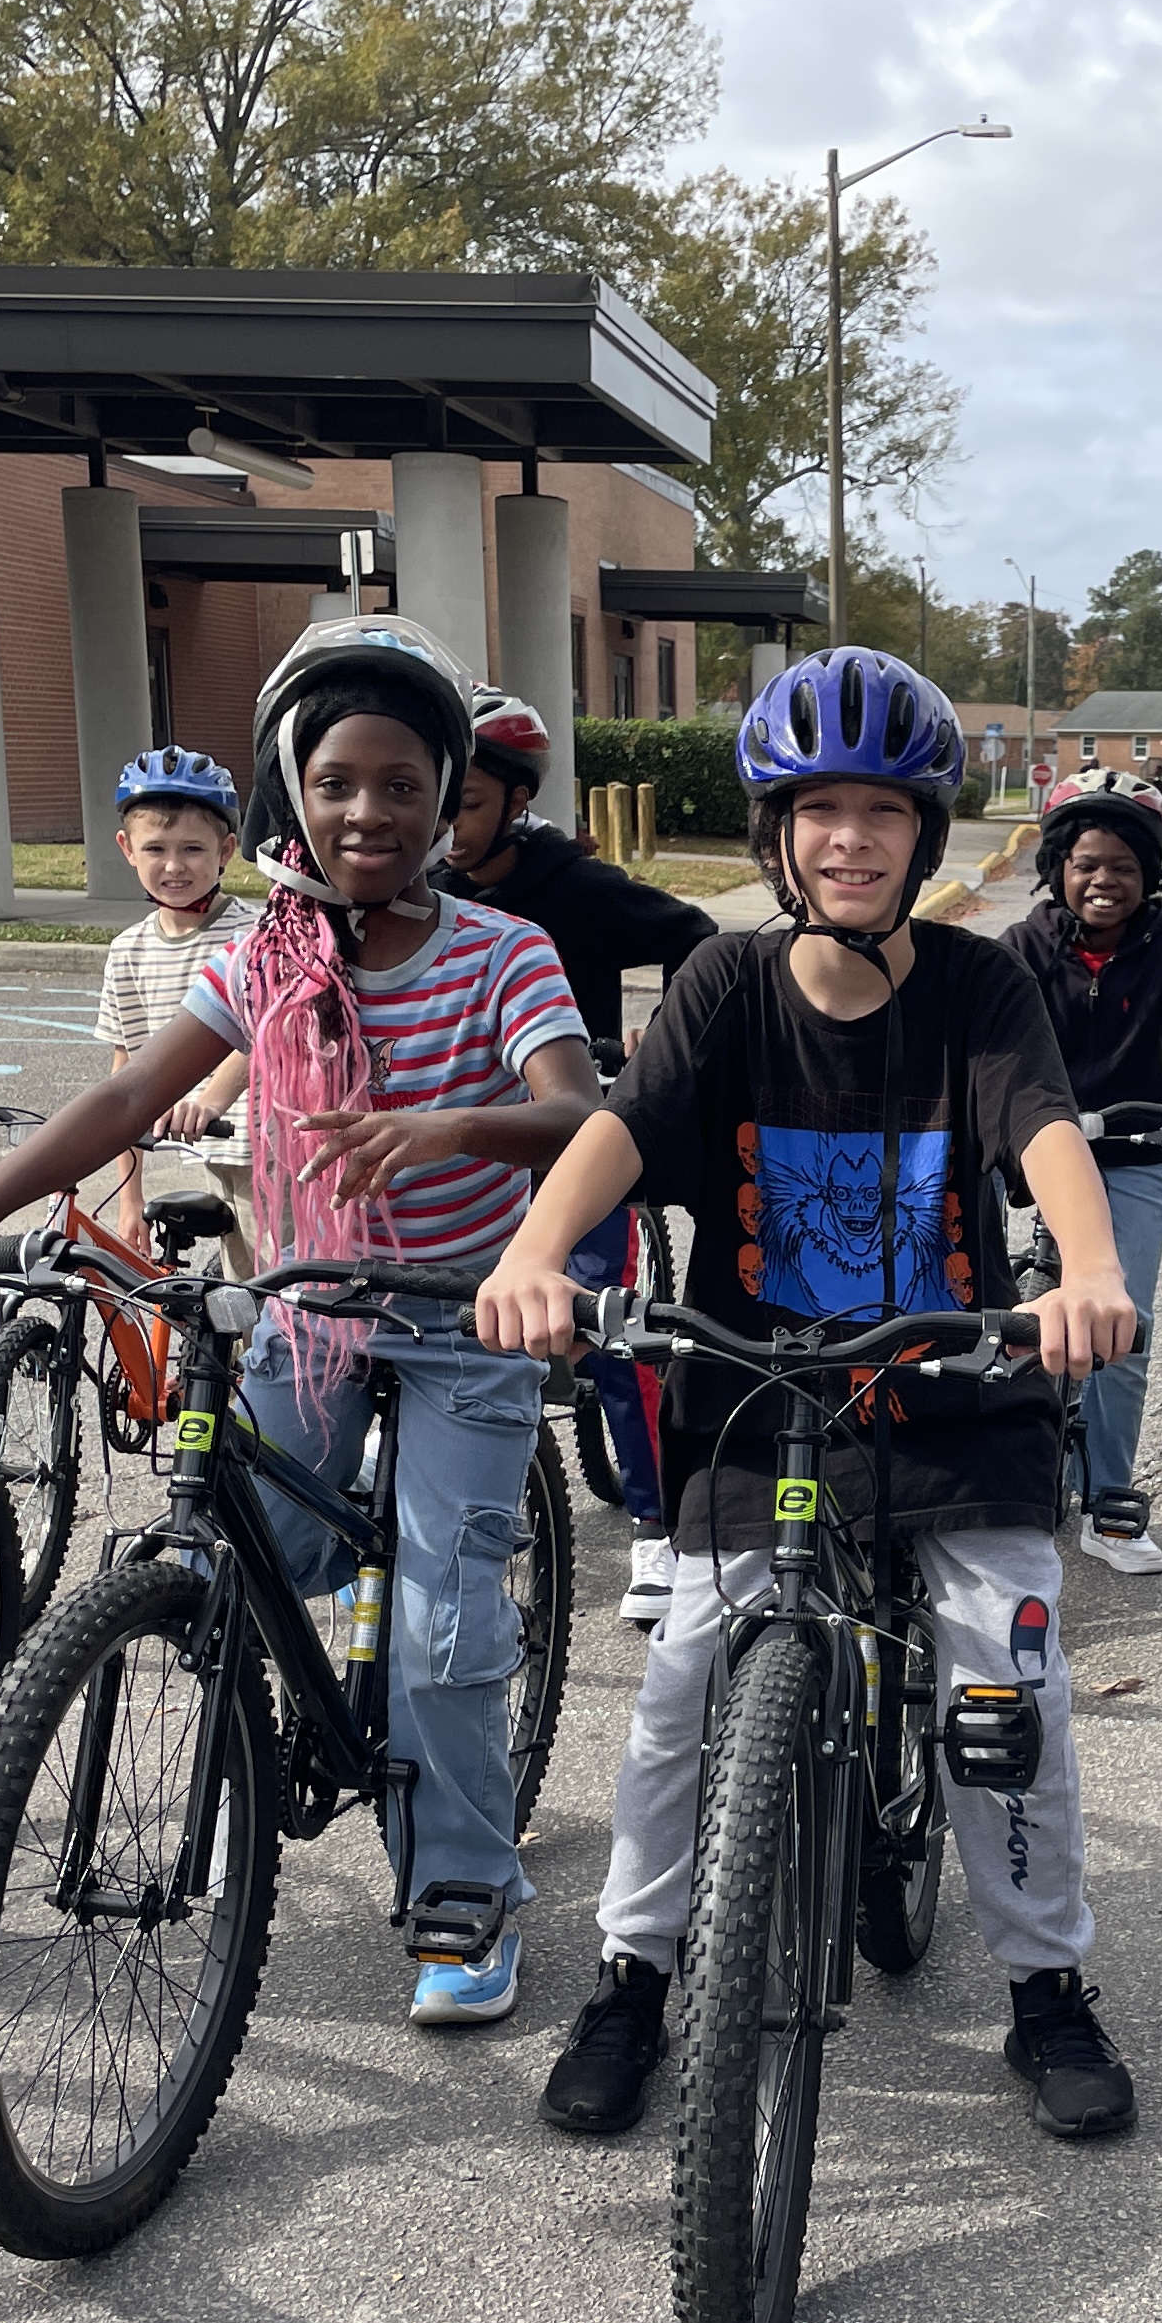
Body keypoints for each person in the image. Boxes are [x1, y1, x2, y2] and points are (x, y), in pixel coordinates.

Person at [472, 646, 1147, 2144]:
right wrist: (531, 1253)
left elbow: (1042, 1128)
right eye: (821, 809)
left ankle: (1043, 1988)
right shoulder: (724, 979)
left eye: (886, 812)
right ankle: (635, 1979)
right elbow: (624, 1125)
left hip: (957, 1385)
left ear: (929, 835)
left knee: (1005, 1680)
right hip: (758, 1391)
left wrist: (1085, 1270)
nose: (853, 839)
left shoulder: (980, 984)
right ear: (778, 833)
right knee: (680, 1695)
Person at [0, 617, 599, 2027]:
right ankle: (255, 1737)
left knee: (443, 1615)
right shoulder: (265, 960)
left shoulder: (502, 951)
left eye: (406, 784)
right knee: (226, 1556)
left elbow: (579, 1110)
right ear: (293, 792)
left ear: (447, 794)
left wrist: (452, 1118)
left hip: (467, 1318)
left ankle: (461, 1885)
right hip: (310, 1305)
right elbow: (126, 1100)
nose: (371, 813)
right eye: (338, 783)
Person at [434, 684, 725, 1624]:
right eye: (437, 799)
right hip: (468, 1151)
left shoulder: (579, 889)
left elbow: (697, 938)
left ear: (518, 802)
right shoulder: (424, 895)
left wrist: (657, 1033)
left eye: (468, 804)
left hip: (577, 1141)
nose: (445, 824)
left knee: (608, 1337)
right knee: (455, 1325)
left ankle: (658, 1525)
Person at [999, 769, 1162, 1575]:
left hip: (1131, 1152)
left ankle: (1108, 1497)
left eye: (1122, 866)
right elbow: (981, 1029)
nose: (1103, 881)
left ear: (1149, 877)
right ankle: (991, 1479)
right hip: (1034, 1150)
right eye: (1085, 864)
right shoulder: (1024, 947)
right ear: (1056, 870)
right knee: (984, 1316)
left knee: (1120, 1326)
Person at [90, 746, 254, 1246]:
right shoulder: (129, 951)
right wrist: (129, 1198)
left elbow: (265, 1038)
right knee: (232, 1300)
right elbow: (129, 1073)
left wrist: (208, 1100)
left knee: (280, 1304)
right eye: (156, 848)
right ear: (127, 848)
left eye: (193, 849)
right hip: (208, 1152)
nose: (174, 866)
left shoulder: (256, 934)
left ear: (225, 851)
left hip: (274, 1152)